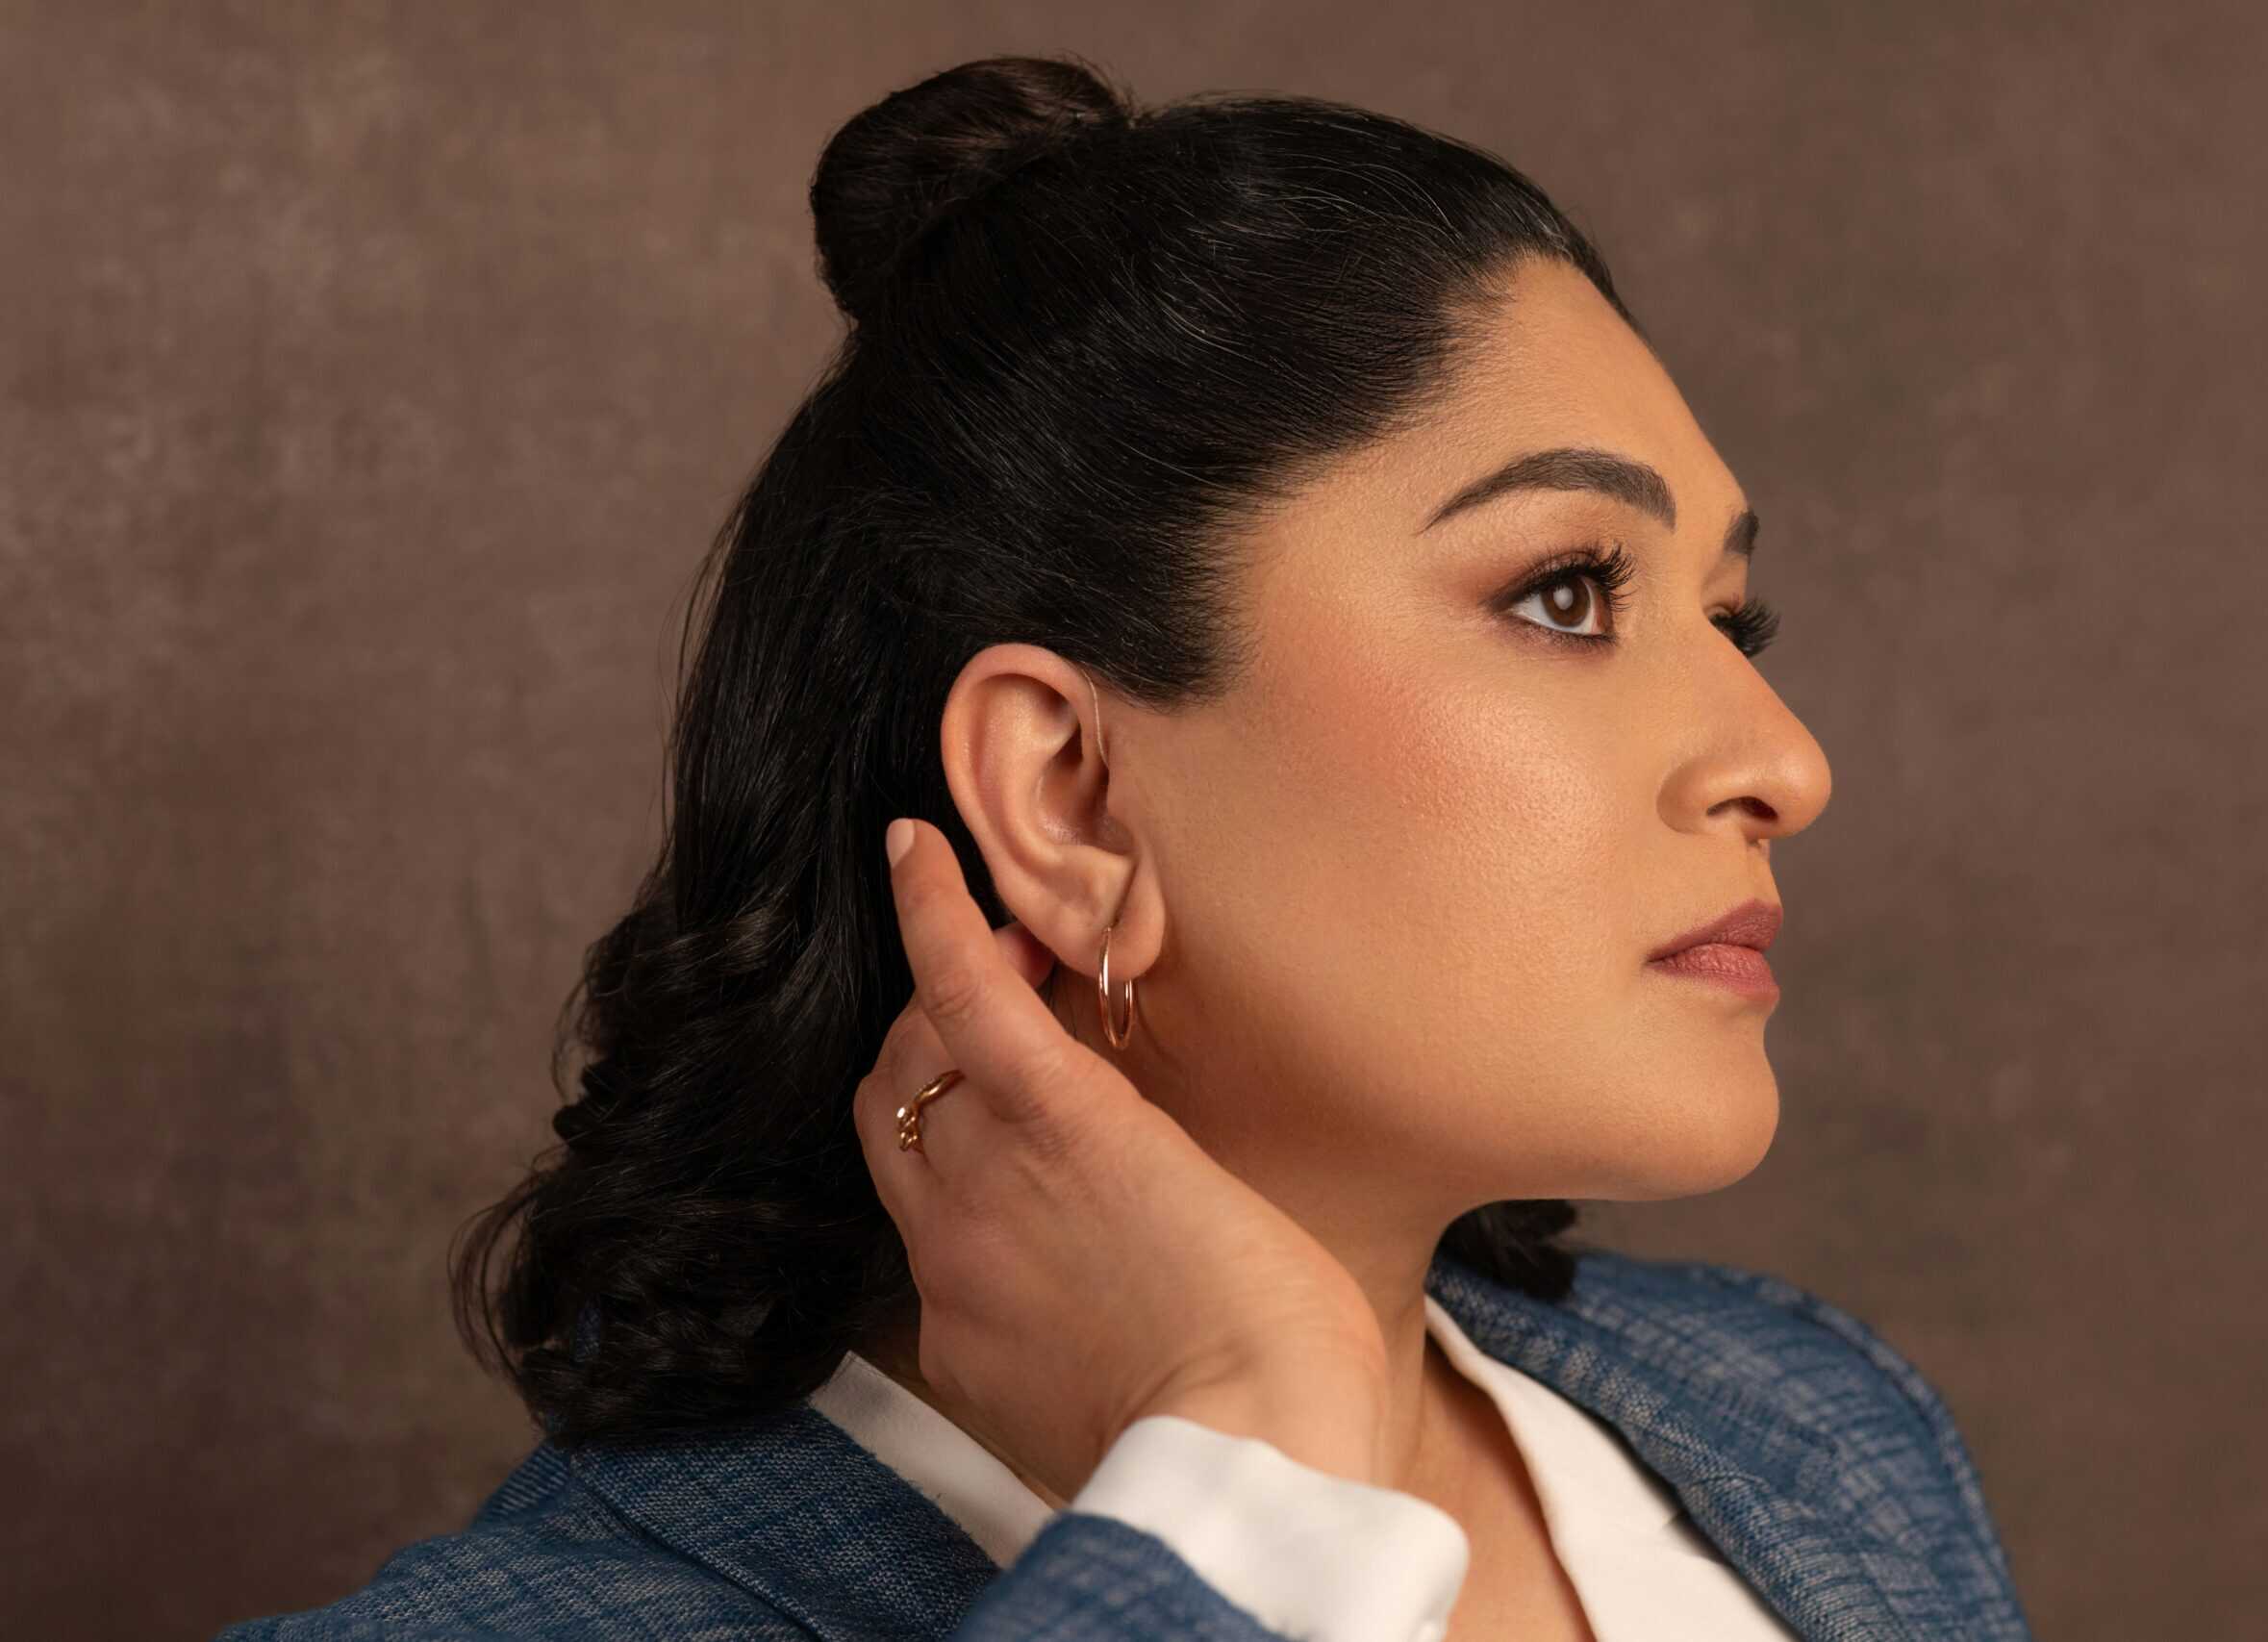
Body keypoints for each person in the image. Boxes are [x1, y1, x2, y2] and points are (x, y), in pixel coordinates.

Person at [216, 51, 2034, 1642]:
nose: (1782, 761)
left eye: (1735, 624)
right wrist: (1245, 1473)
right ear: (1070, 793)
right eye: (1567, 591)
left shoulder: (1809, 1430)